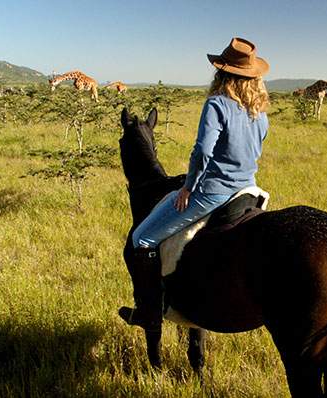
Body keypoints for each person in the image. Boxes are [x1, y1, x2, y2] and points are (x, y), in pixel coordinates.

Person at [119, 37, 271, 331]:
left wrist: (188, 187)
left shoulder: (217, 104)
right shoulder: (259, 112)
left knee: (142, 239)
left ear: (221, 72)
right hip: (249, 190)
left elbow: (203, 151)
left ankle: (149, 311)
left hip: (214, 192)